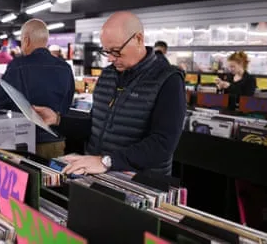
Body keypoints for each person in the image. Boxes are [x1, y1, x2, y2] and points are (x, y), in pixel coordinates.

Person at [34, 11, 186, 175]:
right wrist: (57, 120)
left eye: (116, 50)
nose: (110, 59)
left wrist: (106, 161)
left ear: (139, 39)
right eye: (106, 51)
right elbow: (96, 125)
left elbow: (162, 145)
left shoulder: (168, 79)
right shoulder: (107, 75)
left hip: (140, 185)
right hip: (100, 178)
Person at [0, 19, 75, 159]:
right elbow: (67, 105)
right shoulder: (65, 67)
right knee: (52, 180)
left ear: (26, 40)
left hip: (25, 142)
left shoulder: (18, 66)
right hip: (56, 142)